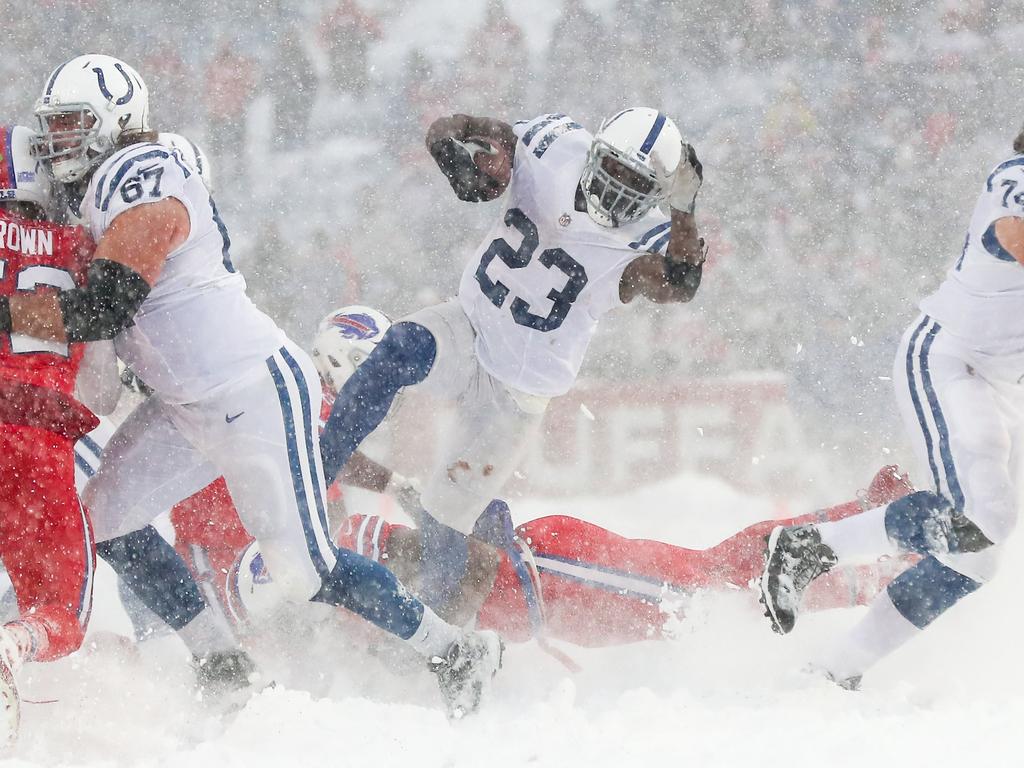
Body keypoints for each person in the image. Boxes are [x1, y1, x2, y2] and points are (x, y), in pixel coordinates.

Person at [18, 54, 501, 718]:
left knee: (304, 570)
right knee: (99, 520)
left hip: (252, 390)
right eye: (53, 128)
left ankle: (452, 649)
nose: (59, 143)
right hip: (183, 403)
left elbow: (109, 303)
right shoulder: (96, 192)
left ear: (119, 124)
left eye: (74, 125)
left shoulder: (144, 171)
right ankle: (222, 662)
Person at [320, 108, 707, 621]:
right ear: (593, 152)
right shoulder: (558, 145)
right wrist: (456, 159)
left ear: (659, 192)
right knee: (398, 349)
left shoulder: (650, 236)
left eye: (633, 183)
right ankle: (309, 475)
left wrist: (685, 211)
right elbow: (459, 129)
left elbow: (679, 284)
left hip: (515, 389)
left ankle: (435, 640)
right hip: (471, 322)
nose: (614, 190)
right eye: (611, 169)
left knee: (443, 523)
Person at [759, 125, 1024, 688]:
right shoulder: (1015, 176)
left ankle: (835, 668)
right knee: (974, 520)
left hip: (1000, 387)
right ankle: (811, 548)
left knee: (979, 554)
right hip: (948, 356)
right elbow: (1012, 235)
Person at [0, 124, 107, 745]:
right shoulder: (84, 246)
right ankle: (14, 644)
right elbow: (104, 388)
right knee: (61, 611)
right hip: (39, 435)